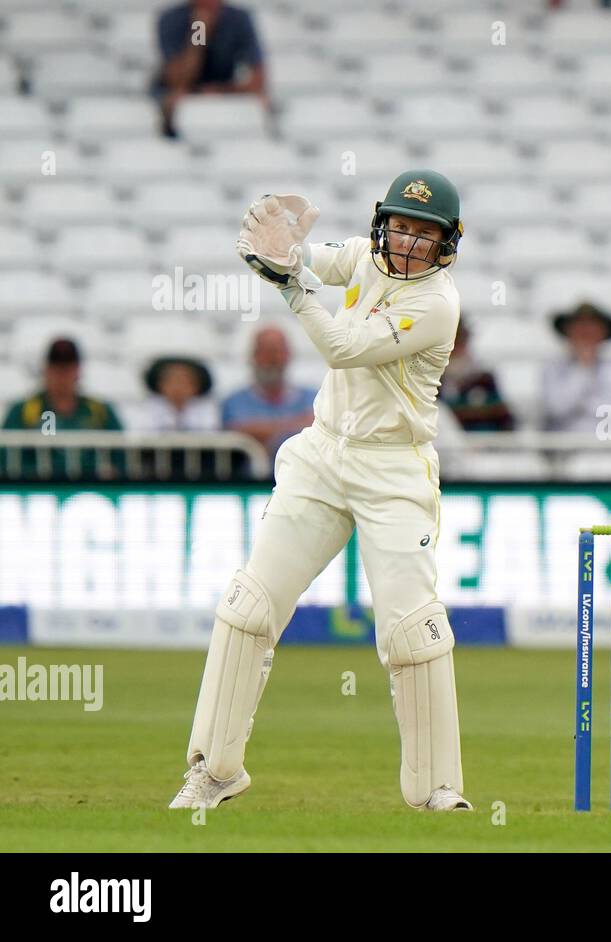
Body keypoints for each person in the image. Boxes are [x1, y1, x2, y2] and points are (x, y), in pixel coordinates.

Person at [169, 171, 470, 813]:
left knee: (411, 631)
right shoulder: (367, 254)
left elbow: (340, 346)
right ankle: (214, 770)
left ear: (447, 244)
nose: (409, 241)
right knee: (250, 606)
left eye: (425, 232)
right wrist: (288, 252)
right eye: (401, 225)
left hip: (394, 471)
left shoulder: (438, 303)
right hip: (322, 452)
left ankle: (436, 791)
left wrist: (289, 282)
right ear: (381, 222)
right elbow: (320, 258)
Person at [1, 339, 124, 481]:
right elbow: (5, 457)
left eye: (68, 368)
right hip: (36, 490)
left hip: (90, 490)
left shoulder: (100, 411)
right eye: (57, 368)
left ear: (78, 371)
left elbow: (121, 456)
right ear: (46, 370)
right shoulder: (23, 411)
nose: (62, 376)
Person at [154, 0, 266, 137]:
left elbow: (258, 79)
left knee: (260, 104)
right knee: (173, 102)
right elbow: (178, 81)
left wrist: (220, 91)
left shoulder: (239, 18)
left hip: (224, 89)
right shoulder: (171, 19)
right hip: (185, 91)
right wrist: (199, 31)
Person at [221, 327, 316, 462]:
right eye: (265, 352)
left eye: (278, 351)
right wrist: (297, 424)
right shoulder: (233, 402)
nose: (273, 359)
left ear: (289, 355)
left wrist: (265, 430)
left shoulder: (313, 397)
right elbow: (238, 432)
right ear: (253, 356)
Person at [541, 302, 611, 434]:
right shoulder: (552, 367)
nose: (585, 333)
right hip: (566, 448)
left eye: (592, 327)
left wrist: (586, 405)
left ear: (603, 333)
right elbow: (556, 408)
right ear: (568, 331)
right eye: (579, 327)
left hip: (610, 448)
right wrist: (582, 369)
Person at [439, 319, 515, 432]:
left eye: (460, 342)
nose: (456, 349)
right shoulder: (432, 381)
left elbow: (505, 420)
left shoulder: (484, 379)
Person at [139, 356, 220, 432]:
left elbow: (208, 435)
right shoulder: (149, 406)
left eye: (185, 381)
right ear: (159, 384)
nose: (178, 387)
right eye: (171, 381)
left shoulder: (205, 407)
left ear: (197, 386)